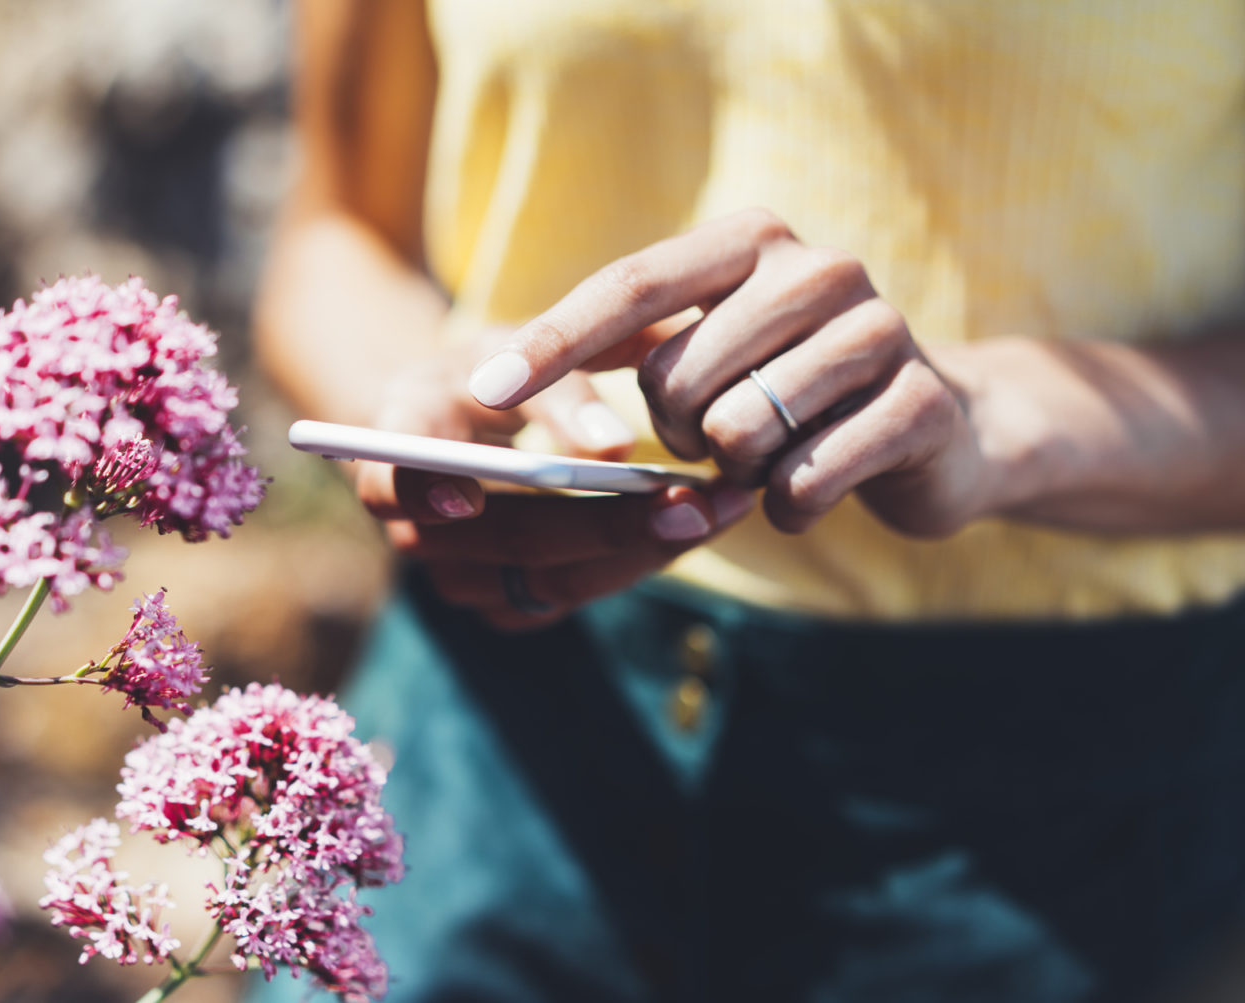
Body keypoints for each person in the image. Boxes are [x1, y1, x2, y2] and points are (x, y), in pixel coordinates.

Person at [252, 2, 1245, 1000]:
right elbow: (333, 239)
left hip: (1050, 808)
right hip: (486, 729)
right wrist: (425, 405)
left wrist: (987, 416)